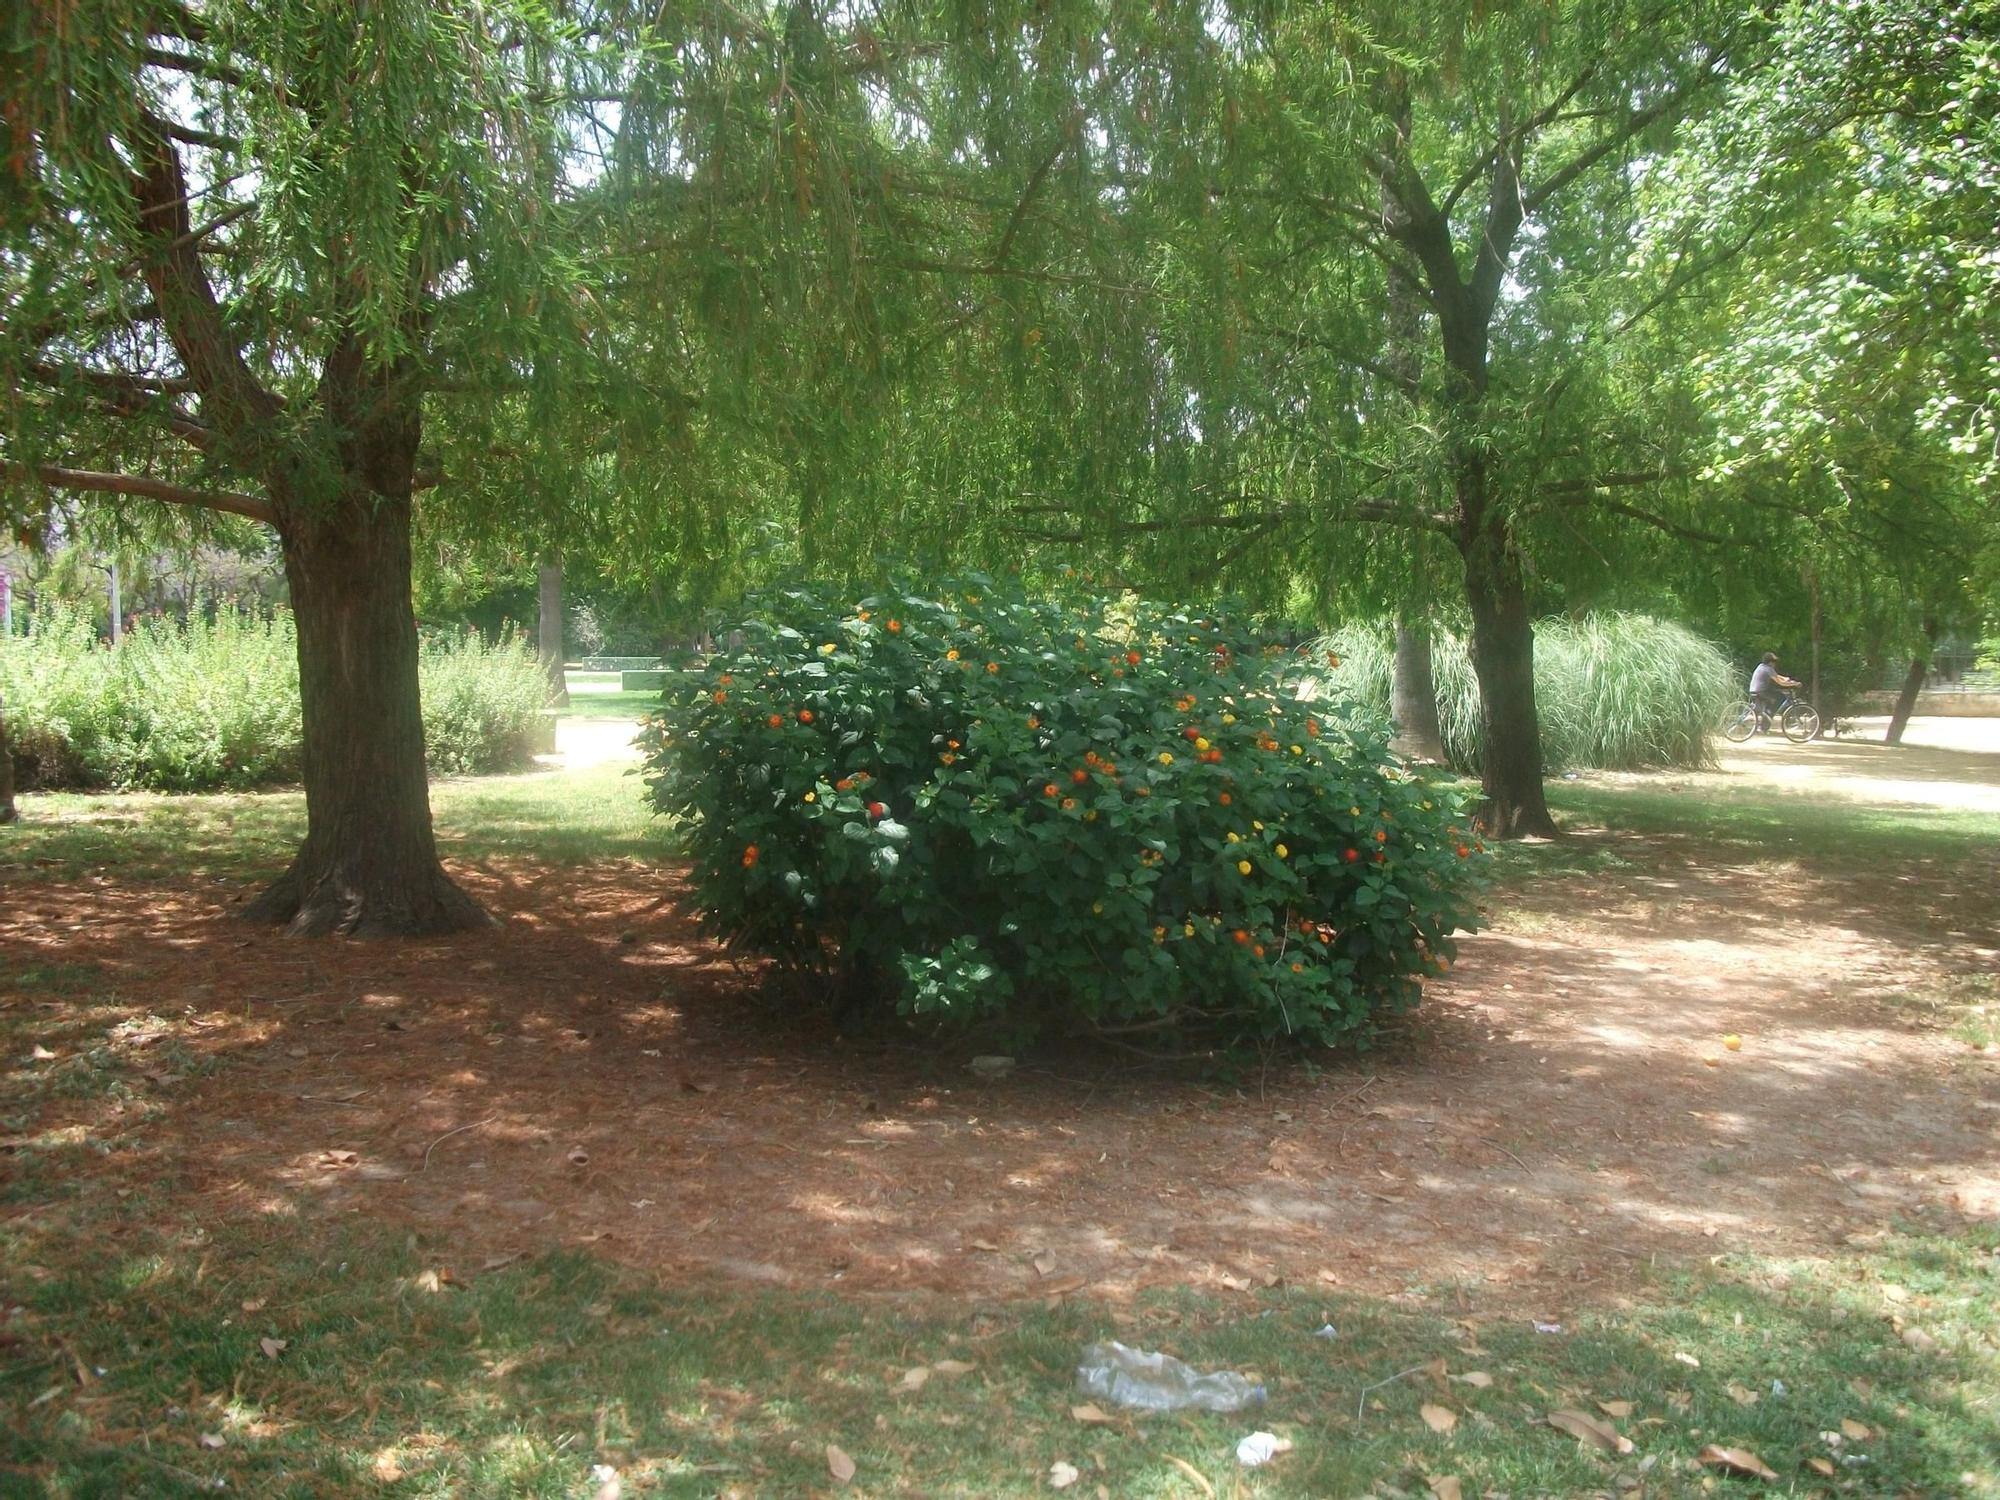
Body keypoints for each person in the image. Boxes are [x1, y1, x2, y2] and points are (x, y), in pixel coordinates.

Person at [1748, 653, 1799, 727]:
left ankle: (1764, 725)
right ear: (1770, 662)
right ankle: (1769, 714)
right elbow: (1781, 683)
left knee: (1771, 699)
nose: (1775, 664)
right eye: (1774, 662)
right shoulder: (1769, 668)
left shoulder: (1761, 666)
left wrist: (1784, 678)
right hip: (1761, 691)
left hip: (1754, 690)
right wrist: (1794, 684)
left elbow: (1775, 675)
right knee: (1781, 697)